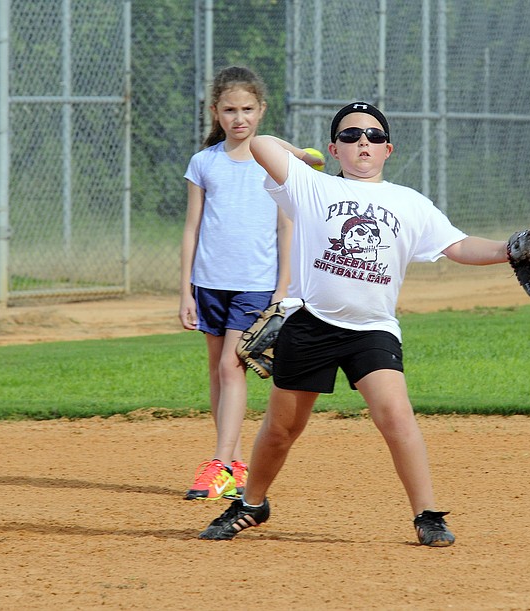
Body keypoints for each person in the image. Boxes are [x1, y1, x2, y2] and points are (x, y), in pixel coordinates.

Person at [198, 101, 512, 546]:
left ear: (388, 150)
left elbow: (459, 246)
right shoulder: (311, 186)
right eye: (350, 136)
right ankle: (252, 503)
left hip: (373, 328)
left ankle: (427, 514)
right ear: (335, 148)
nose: (362, 141)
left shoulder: (408, 202)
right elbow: (263, 144)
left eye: (373, 135)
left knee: (396, 416)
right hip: (311, 323)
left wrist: (511, 248)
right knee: (282, 430)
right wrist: (304, 159)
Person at [179, 66, 292, 501]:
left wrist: (283, 287)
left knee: (232, 366)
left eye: (247, 109)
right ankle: (235, 462)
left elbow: (287, 229)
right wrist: (185, 289)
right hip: (209, 283)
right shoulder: (204, 163)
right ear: (215, 112)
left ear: (261, 111)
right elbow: (191, 228)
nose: (238, 118)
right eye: (229, 109)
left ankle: (220, 464)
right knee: (217, 371)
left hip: (255, 283)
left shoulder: (273, 163)